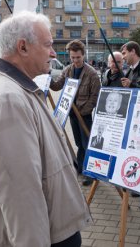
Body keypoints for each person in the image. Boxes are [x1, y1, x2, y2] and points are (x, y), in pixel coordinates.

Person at [0, 11, 91, 246]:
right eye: (48, 45)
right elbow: (20, 194)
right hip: (44, 235)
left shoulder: (18, 89)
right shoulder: (8, 100)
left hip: (52, 226)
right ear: (22, 47)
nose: (54, 53)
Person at [50, 39, 101, 186]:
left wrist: (83, 111)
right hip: (71, 114)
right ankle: (80, 168)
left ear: (83, 55)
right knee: (78, 143)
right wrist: (46, 76)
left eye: (78, 57)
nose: (75, 60)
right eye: (72, 57)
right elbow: (57, 85)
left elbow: (95, 97)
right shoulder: (67, 70)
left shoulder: (91, 73)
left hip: (84, 115)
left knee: (87, 144)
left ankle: (90, 173)